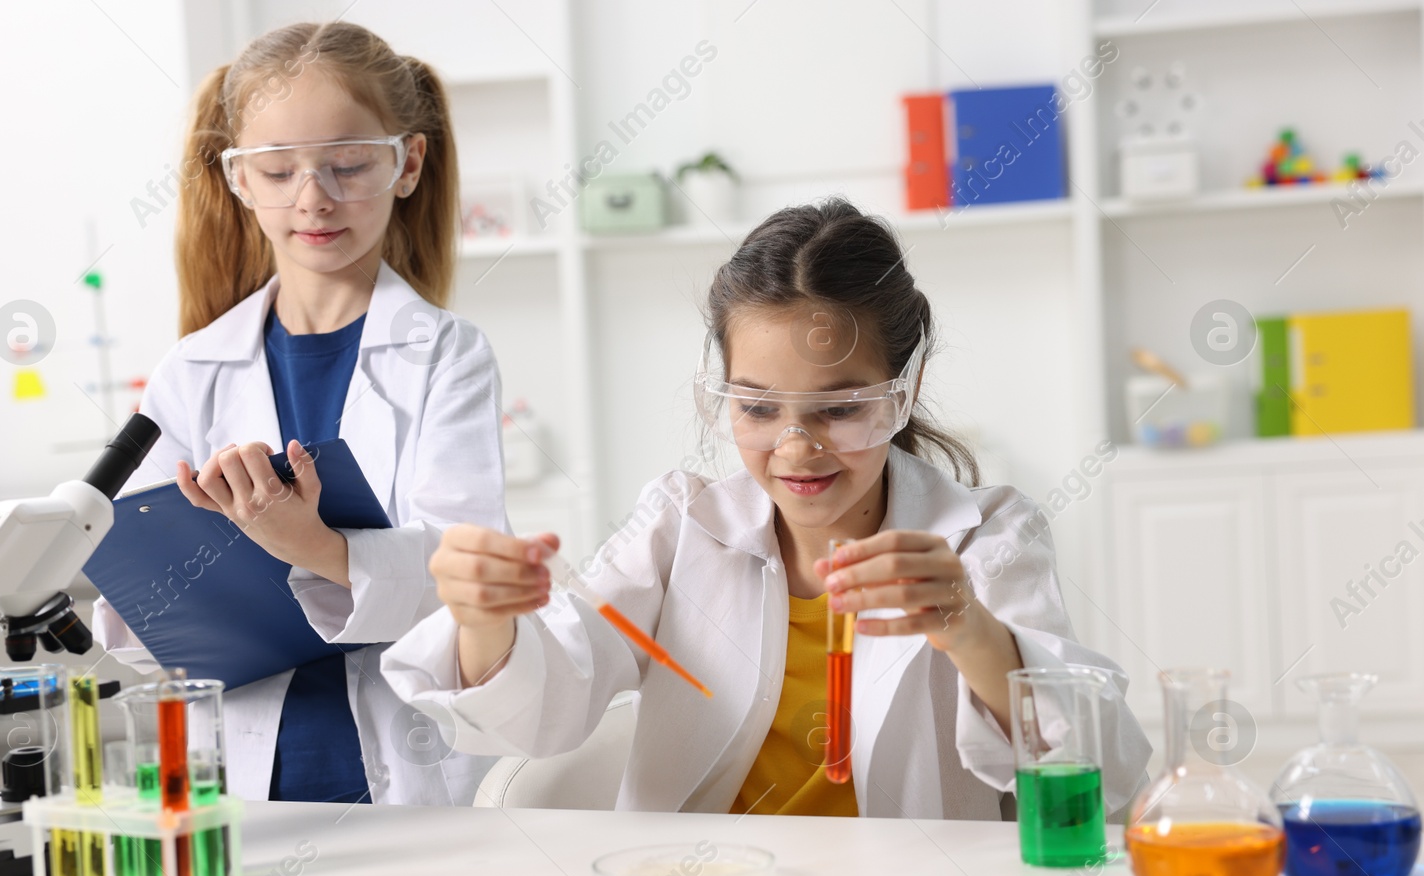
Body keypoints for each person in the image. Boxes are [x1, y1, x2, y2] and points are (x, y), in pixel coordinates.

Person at [381, 198, 1151, 819]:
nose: (795, 449)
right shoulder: (679, 529)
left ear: (905, 389)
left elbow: (1109, 769)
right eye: (756, 408)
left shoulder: (986, 537)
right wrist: (486, 618)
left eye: (839, 409)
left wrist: (970, 629)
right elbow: (546, 703)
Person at [93, 21, 505, 806]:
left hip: (402, 761)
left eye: (348, 165)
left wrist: (316, 546)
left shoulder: (446, 354)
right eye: (278, 171)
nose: (313, 198)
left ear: (405, 163)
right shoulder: (192, 370)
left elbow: (467, 575)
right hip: (244, 766)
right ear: (239, 179)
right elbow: (134, 609)